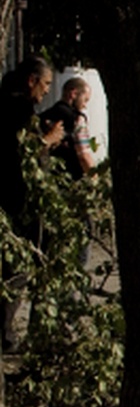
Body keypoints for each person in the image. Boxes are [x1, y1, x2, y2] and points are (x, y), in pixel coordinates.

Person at [1, 57, 62, 351]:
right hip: (21, 199)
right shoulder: (18, 106)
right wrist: (47, 140)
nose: (47, 91)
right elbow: (22, 152)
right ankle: (21, 336)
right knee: (23, 267)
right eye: (46, 84)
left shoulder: (10, 103)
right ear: (31, 80)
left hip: (13, 198)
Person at [39, 76, 95, 179]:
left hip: (49, 177)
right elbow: (84, 155)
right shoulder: (77, 119)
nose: (85, 105)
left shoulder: (45, 116)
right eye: (85, 100)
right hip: (71, 179)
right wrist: (96, 179)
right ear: (73, 94)